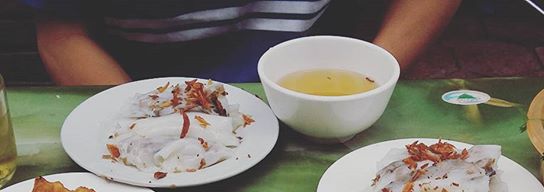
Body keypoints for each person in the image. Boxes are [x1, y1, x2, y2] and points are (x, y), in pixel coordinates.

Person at [23, 0, 462, 85]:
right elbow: (62, 32)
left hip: (314, 100)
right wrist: (138, 125)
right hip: (140, 92)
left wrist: (371, 79)